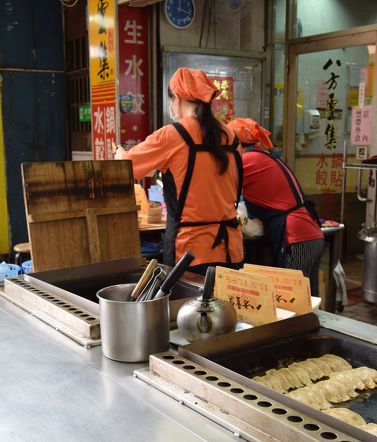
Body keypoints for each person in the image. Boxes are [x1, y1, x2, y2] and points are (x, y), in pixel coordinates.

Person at [116, 68, 244, 274]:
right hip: (231, 249)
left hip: (191, 253)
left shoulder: (173, 135)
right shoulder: (231, 136)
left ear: (175, 97)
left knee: (186, 307)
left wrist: (119, 151)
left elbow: (124, 167)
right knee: (225, 307)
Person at [229, 118, 324, 295]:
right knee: (309, 301)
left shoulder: (247, 160)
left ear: (235, 142)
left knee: (291, 300)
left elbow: (220, 185)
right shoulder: (263, 156)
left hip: (295, 238)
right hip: (309, 234)